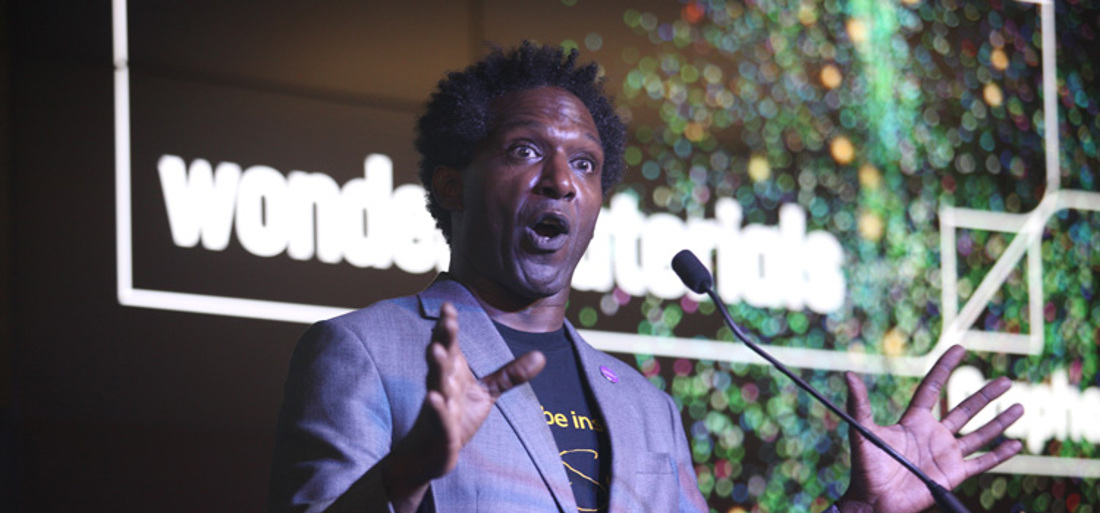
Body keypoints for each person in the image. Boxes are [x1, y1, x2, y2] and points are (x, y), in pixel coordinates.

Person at [269, 42, 1024, 513]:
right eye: (527, 151)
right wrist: (403, 477)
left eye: (586, 163)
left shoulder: (646, 409)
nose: (561, 181)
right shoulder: (365, 350)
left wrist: (860, 508)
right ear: (451, 185)